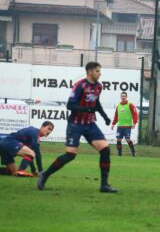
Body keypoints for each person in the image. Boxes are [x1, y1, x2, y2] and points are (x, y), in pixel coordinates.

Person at [37, 62, 118, 193]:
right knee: (70, 155)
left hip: (90, 124)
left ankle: (104, 185)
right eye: (97, 71)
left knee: (105, 150)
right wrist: (87, 109)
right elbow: (70, 105)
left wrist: (104, 116)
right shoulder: (80, 85)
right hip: (75, 124)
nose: (99, 73)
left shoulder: (98, 86)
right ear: (90, 71)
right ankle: (44, 175)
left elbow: (96, 103)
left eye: (99, 71)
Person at [111, 91, 138, 156]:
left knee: (127, 139)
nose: (123, 97)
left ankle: (133, 151)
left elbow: (135, 114)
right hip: (120, 126)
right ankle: (119, 154)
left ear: (126, 97)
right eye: (122, 96)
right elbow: (116, 116)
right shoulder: (118, 106)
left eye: (124, 96)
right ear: (120, 97)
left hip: (127, 126)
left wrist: (134, 123)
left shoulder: (130, 105)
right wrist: (113, 124)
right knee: (118, 140)